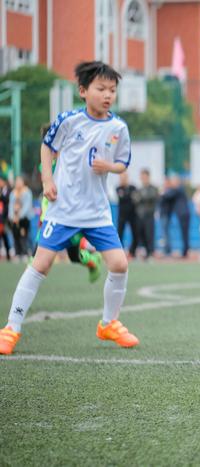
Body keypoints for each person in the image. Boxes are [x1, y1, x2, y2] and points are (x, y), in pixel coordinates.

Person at [0, 61, 139, 355]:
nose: (107, 95)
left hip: (98, 212)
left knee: (119, 264)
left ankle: (108, 323)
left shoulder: (118, 128)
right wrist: (48, 180)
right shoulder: (68, 120)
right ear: (83, 91)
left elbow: (123, 163)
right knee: (41, 264)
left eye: (112, 90)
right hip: (63, 210)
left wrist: (109, 166)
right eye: (101, 88)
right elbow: (47, 145)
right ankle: (11, 328)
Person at [32, 123, 103, 284]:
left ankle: (93, 261)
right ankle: (21, 305)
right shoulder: (45, 166)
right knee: (35, 259)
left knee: (73, 256)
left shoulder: (70, 163)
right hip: (50, 219)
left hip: (70, 217)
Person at [161, 174, 190, 258]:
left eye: (174, 181)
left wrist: (162, 192)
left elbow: (167, 195)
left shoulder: (178, 189)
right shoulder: (177, 190)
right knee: (184, 233)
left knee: (184, 233)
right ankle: (185, 251)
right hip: (182, 214)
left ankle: (185, 251)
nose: (172, 183)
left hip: (183, 214)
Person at [133, 168, 159, 260]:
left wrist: (142, 198)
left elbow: (152, 197)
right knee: (141, 234)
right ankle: (143, 252)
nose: (143, 178)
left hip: (149, 215)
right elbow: (135, 199)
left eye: (145, 176)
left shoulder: (153, 188)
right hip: (140, 216)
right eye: (142, 177)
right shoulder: (139, 189)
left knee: (149, 234)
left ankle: (150, 253)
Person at [8, 176, 33, 261]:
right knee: (15, 235)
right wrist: (12, 217)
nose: (18, 183)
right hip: (14, 219)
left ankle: (25, 253)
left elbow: (27, 206)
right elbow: (11, 206)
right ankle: (17, 253)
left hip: (24, 219)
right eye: (17, 181)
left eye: (20, 181)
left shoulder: (27, 192)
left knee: (24, 235)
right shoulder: (13, 193)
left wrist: (20, 216)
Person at [116, 171, 138, 257]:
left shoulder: (133, 187)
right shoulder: (118, 188)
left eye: (124, 177)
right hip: (122, 215)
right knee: (120, 233)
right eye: (121, 178)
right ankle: (119, 251)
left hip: (132, 215)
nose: (123, 179)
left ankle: (132, 251)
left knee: (135, 233)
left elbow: (135, 197)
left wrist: (128, 195)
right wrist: (129, 195)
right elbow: (123, 198)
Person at [0, 177, 11, 260]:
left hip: (6, 217)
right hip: (1, 217)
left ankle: (8, 254)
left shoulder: (9, 190)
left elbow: (7, 201)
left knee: (5, 235)